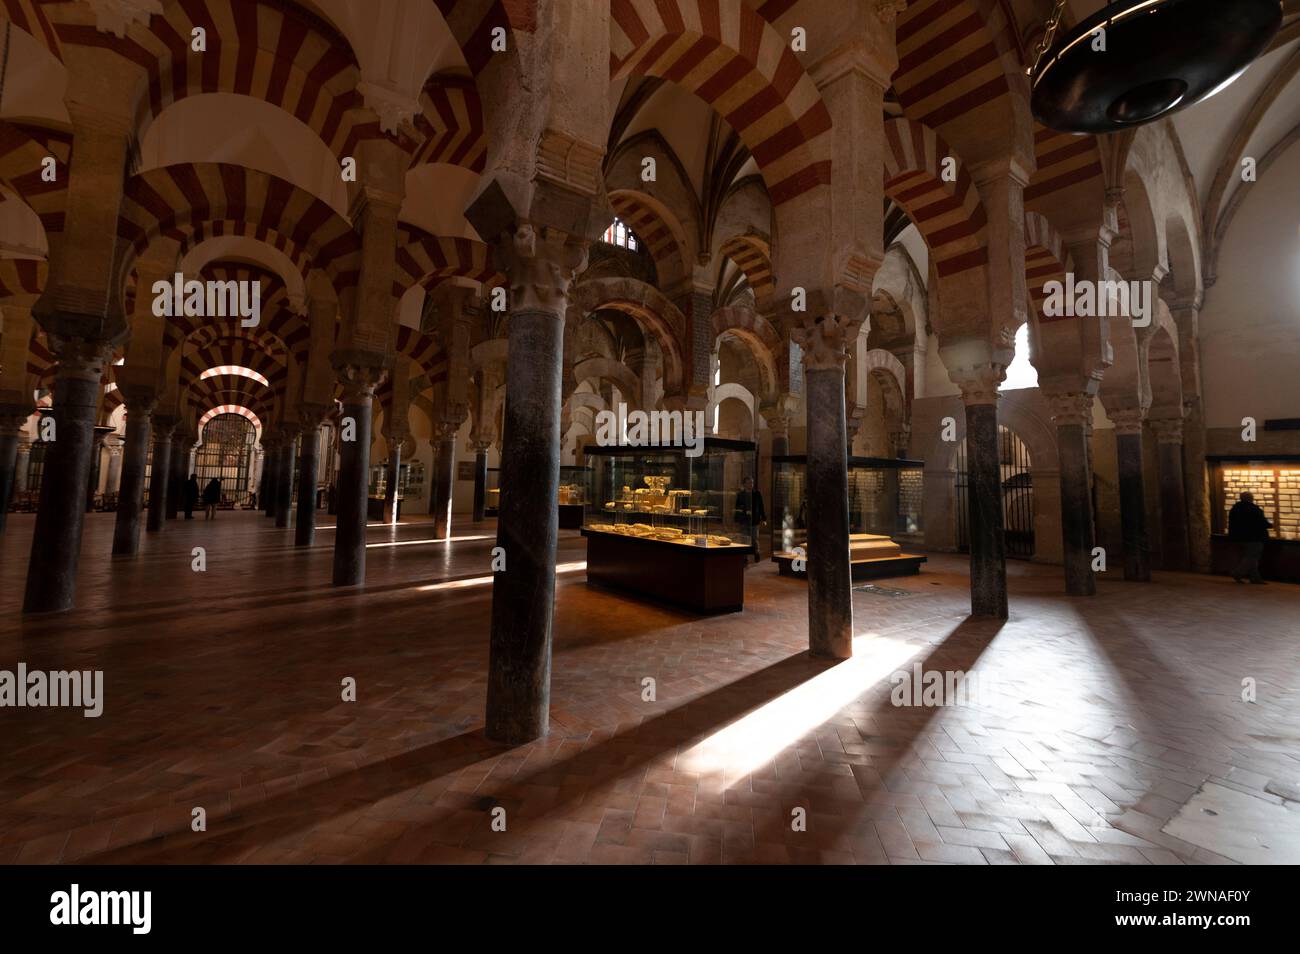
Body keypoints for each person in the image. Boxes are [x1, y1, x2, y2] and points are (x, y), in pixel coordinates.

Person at [1228, 491, 1271, 584]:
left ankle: (1255, 578)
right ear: (1250, 498)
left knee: (1250, 557)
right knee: (1252, 557)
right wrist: (1270, 525)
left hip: (1239, 537)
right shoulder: (1254, 509)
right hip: (1253, 537)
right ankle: (1237, 573)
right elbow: (1261, 522)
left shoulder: (1235, 508)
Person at [734, 475, 767, 564]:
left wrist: (764, 518)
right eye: (749, 483)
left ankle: (756, 552)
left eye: (752, 483)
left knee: (754, 539)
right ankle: (745, 557)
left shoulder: (757, 494)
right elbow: (737, 507)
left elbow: (761, 506)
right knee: (744, 539)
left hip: (754, 520)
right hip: (744, 520)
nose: (751, 484)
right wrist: (737, 518)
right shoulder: (740, 494)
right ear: (744, 484)